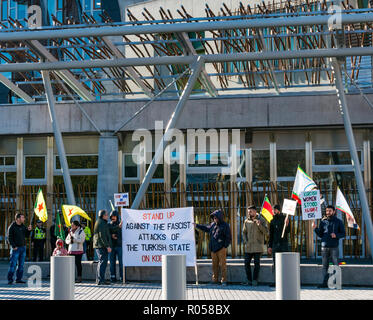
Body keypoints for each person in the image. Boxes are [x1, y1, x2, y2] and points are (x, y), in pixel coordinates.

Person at [195, 210, 231, 286]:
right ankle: (215, 280)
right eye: (214, 218)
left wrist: (224, 246)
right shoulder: (212, 225)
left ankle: (224, 280)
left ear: (219, 217)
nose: (214, 219)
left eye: (216, 217)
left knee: (223, 265)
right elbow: (206, 228)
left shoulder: (225, 225)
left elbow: (228, 237)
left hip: (221, 249)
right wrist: (197, 225)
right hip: (213, 249)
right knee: (214, 265)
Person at [313, 205, 345, 288]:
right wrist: (315, 228)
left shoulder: (338, 221)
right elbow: (320, 234)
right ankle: (325, 283)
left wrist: (336, 235)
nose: (328, 212)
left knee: (335, 265)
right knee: (325, 266)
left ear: (334, 212)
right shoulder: (323, 221)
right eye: (327, 211)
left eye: (330, 211)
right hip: (324, 246)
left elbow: (343, 233)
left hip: (334, 246)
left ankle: (336, 283)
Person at [242, 205, 268, 286]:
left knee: (257, 264)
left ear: (255, 211)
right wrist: (246, 241)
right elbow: (244, 232)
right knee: (246, 263)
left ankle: (255, 280)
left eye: (250, 211)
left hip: (258, 246)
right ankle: (249, 280)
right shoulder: (246, 221)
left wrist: (259, 225)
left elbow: (266, 232)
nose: (249, 213)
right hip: (248, 247)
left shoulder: (262, 220)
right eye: (248, 211)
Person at [7, 212, 32, 284]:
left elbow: (27, 236)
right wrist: (13, 246)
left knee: (21, 265)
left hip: (23, 248)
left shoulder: (23, 226)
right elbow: (9, 238)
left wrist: (29, 230)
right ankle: (10, 280)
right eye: (22, 217)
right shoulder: (12, 227)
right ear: (18, 219)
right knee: (13, 265)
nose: (24, 219)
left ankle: (18, 279)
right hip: (15, 249)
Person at [267, 204, 290, 269]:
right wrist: (270, 246)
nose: (273, 211)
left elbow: (288, 231)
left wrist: (287, 225)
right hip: (275, 244)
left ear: (278, 210)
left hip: (283, 244)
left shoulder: (285, 219)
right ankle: (276, 277)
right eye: (272, 210)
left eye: (275, 209)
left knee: (285, 262)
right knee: (276, 263)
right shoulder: (272, 221)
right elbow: (271, 234)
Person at [93, 209, 112, 285]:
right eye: (106, 215)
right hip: (101, 245)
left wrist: (118, 226)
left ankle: (100, 279)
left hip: (100, 245)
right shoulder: (101, 223)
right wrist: (107, 246)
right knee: (102, 262)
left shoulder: (102, 222)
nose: (108, 216)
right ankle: (100, 280)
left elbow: (108, 230)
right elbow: (102, 236)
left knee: (101, 262)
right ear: (103, 215)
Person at [108, 210, 123, 283]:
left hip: (119, 245)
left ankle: (122, 277)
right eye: (112, 217)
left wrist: (118, 236)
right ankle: (112, 277)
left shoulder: (121, 225)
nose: (113, 218)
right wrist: (111, 236)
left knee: (121, 262)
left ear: (117, 217)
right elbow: (107, 234)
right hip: (112, 246)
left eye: (114, 216)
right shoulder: (109, 225)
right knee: (112, 263)